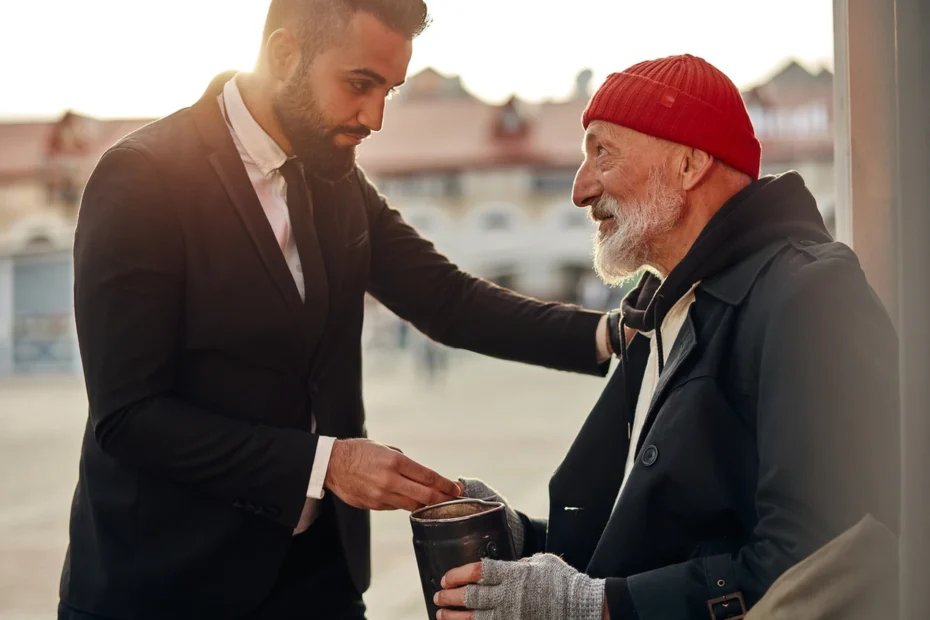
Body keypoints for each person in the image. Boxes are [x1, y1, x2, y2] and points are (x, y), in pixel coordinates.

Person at [59, 1, 614, 618]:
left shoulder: (335, 179)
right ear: (283, 56)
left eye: (390, 91)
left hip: (318, 577)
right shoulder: (142, 178)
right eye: (359, 84)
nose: (374, 117)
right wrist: (328, 463)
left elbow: (448, 300)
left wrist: (609, 334)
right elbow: (129, 416)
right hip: (166, 583)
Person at [437, 54, 899, 620]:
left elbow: (817, 557)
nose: (580, 190)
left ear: (689, 163)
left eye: (601, 153)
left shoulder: (809, 293)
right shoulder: (667, 306)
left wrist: (593, 606)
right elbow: (642, 540)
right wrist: (515, 540)